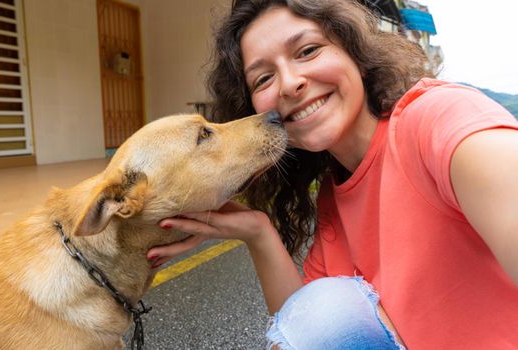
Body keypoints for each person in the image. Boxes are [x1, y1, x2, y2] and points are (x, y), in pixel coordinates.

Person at [147, 0, 518, 348]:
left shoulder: (435, 118)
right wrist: (258, 233)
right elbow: (302, 330)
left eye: (307, 51)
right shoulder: (332, 193)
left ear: (354, 52)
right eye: (263, 79)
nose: (290, 83)